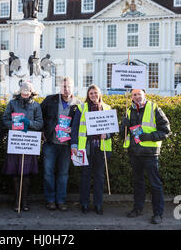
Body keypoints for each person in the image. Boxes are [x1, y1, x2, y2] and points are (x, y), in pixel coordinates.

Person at [120, 89, 171, 224]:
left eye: (139, 94)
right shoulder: (128, 110)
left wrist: (148, 136)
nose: (136, 97)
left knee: (155, 184)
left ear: (144, 95)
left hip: (150, 153)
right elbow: (123, 135)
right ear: (131, 97)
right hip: (135, 153)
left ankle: (158, 214)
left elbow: (166, 130)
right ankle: (138, 209)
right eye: (134, 95)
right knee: (138, 183)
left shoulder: (154, 108)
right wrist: (123, 126)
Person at [71, 84, 113, 215]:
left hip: (101, 148)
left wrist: (107, 135)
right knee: (85, 177)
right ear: (88, 95)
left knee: (100, 177)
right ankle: (84, 204)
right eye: (91, 93)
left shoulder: (107, 108)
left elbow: (113, 129)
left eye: (95, 93)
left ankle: (98, 204)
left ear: (99, 94)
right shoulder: (81, 108)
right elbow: (75, 128)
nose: (94, 95)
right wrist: (74, 145)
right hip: (86, 147)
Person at [2, 81, 43, 211]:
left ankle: (24, 202)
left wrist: (28, 123)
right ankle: (16, 201)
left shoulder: (36, 105)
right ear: (20, 91)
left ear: (31, 92)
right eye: (23, 90)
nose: (25, 93)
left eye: (28, 91)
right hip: (15, 142)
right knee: (15, 174)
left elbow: (40, 123)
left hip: (29, 143)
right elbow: (5, 119)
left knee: (26, 174)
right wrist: (14, 126)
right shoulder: (12, 103)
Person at [40, 77, 80, 211]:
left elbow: (81, 124)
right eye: (63, 86)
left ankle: (61, 200)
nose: (66, 89)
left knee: (63, 174)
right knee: (48, 173)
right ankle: (50, 200)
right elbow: (39, 116)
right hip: (50, 142)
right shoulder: (50, 100)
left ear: (72, 87)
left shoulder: (78, 104)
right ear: (59, 87)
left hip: (67, 145)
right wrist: (42, 131)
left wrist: (72, 129)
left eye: (68, 86)